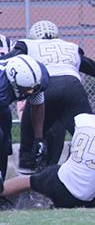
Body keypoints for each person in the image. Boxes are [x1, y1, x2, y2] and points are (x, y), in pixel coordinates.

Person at [1, 21, 95, 173]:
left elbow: (37, 101)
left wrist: (37, 137)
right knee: (87, 137)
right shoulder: (69, 47)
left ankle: (27, 179)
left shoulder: (29, 56)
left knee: (27, 145)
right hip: (73, 89)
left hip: (45, 88)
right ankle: (85, 175)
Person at [0, 55, 48, 190]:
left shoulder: (35, 79)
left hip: (2, 106)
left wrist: (38, 138)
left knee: (4, 146)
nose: (30, 92)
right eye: (27, 90)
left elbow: (37, 104)